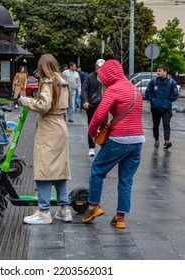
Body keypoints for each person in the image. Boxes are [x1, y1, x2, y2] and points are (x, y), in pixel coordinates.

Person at [81, 59, 145, 229]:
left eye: (102, 77)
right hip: (138, 141)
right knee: (126, 180)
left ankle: (93, 206)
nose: (101, 80)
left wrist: (92, 132)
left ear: (108, 75)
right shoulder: (135, 90)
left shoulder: (113, 90)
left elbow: (99, 115)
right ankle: (120, 217)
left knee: (97, 171)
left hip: (118, 140)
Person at [18, 54, 72, 225]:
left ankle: (44, 212)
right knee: (60, 170)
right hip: (61, 125)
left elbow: (44, 105)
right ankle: (65, 210)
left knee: (44, 169)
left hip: (49, 127)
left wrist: (25, 101)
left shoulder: (48, 82)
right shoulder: (62, 80)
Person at [145, 64, 179, 149]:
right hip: (155, 107)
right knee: (155, 125)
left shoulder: (171, 82)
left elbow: (175, 94)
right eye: (157, 70)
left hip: (166, 108)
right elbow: (147, 93)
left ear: (165, 72)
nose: (157, 72)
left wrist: (168, 101)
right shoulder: (153, 81)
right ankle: (156, 139)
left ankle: (166, 141)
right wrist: (153, 100)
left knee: (166, 124)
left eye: (160, 71)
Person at [81, 59, 105, 157]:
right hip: (92, 105)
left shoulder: (106, 78)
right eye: (98, 66)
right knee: (92, 126)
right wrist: (85, 101)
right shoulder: (90, 77)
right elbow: (84, 90)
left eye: (102, 66)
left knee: (104, 127)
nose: (100, 68)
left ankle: (104, 146)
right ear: (95, 66)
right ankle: (91, 148)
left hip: (104, 105)